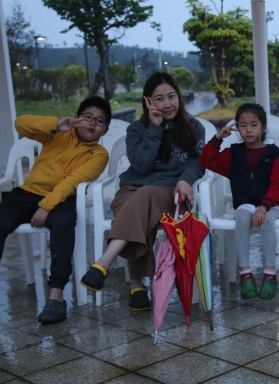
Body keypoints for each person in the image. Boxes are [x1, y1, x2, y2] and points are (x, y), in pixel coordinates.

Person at [0, 96, 111, 329]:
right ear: (77, 117)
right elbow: (21, 124)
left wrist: (46, 206)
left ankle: (56, 294)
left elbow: (72, 181)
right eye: (88, 116)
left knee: (64, 223)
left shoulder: (99, 155)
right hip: (27, 193)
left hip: (62, 199)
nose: (92, 123)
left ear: (105, 130)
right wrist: (55, 124)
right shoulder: (56, 133)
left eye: (99, 121)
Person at [80, 72, 205, 311]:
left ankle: (107, 264)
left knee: (144, 197)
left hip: (169, 191)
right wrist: (155, 128)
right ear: (148, 102)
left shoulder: (194, 127)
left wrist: (186, 179)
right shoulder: (137, 129)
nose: (167, 103)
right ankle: (136, 286)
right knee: (134, 205)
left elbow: (197, 162)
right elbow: (140, 165)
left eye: (171, 96)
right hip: (132, 187)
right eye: (159, 99)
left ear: (179, 96)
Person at [200, 103, 279, 300]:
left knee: (267, 221)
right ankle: (245, 273)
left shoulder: (274, 155)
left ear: (263, 127)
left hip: (271, 203)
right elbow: (206, 160)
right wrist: (218, 138)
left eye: (254, 125)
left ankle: (270, 274)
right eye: (243, 125)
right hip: (245, 202)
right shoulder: (234, 154)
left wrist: (264, 206)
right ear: (237, 128)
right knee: (240, 217)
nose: (248, 130)